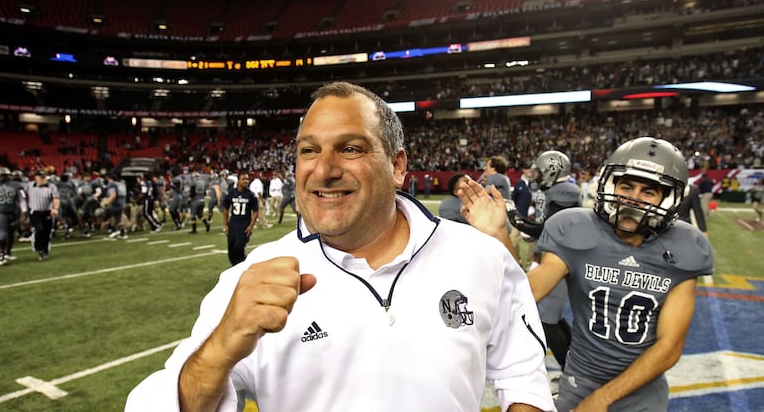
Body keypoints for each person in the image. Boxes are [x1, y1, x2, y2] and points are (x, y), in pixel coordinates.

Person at [126, 81, 555, 412]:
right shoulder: (250, 281)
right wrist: (221, 349)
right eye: (308, 150)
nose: (324, 170)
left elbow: (523, 377)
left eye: (350, 148)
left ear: (398, 165)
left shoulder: (481, 256)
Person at [459, 137, 714, 411]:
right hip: (579, 383)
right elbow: (525, 292)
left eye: (648, 192)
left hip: (642, 396)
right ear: (609, 183)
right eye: (626, 186)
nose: (632, 198)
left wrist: (602, 399)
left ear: (669, 198)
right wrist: (499, 234)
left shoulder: (684, 247)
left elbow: (669, 347)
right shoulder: (577, 229)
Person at [507, 150, 581, 372]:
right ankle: (572, 368)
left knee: (547, 320)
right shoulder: (554, 191)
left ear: (552, 170)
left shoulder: (564, 192)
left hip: (561, 260)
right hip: (555, 257)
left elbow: (549, 227)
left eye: (539, 171)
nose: (535, 175)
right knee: (553, 317)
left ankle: (570, 372)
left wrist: (516, 221)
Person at [222, 172, 258, 266]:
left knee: (239, 247)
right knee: (231, 249)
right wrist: (225, 224)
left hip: (244, 224)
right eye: (243, 179)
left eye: (247, 179)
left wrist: (251, 226)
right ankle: (236, 267)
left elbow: (255, 211)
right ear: (238, 180)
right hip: (233, 224)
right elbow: (225, 208)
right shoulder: (232, 193)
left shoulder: (250, 194)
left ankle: (243, 266)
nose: (246, 181)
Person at [26, 170, 61, 260]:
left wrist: (55, 208)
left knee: (47, 232)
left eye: (44, 177)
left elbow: (56, 198)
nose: (44, 180)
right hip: (35, 211)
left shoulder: (51, 187)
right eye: (42, 178)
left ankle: (45, 250)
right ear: (36, 178)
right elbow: (24, 196)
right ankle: (39, 248)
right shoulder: (29, 185)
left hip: (47, 211)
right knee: (39, 229)